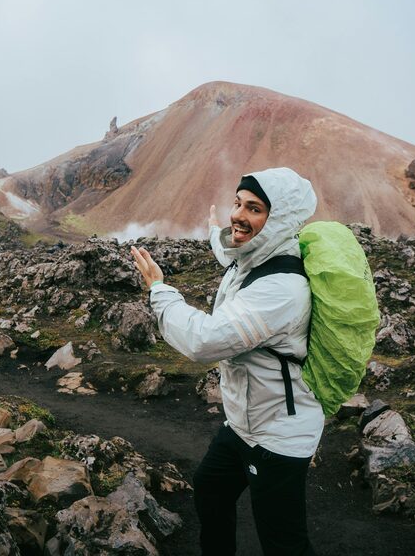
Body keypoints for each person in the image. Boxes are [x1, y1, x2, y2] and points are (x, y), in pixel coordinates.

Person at [130, 167, 322, 555]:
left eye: (254, 208)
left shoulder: (282, 289)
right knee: (211, 487)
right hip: (245, 424)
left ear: (279, 220)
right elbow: (229, 254)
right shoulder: (253, 258)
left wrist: (159, 289)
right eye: (237, 203)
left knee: (283, 542)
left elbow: (206, 341)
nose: (239, 214)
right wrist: (215, 231)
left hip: (279, 437)